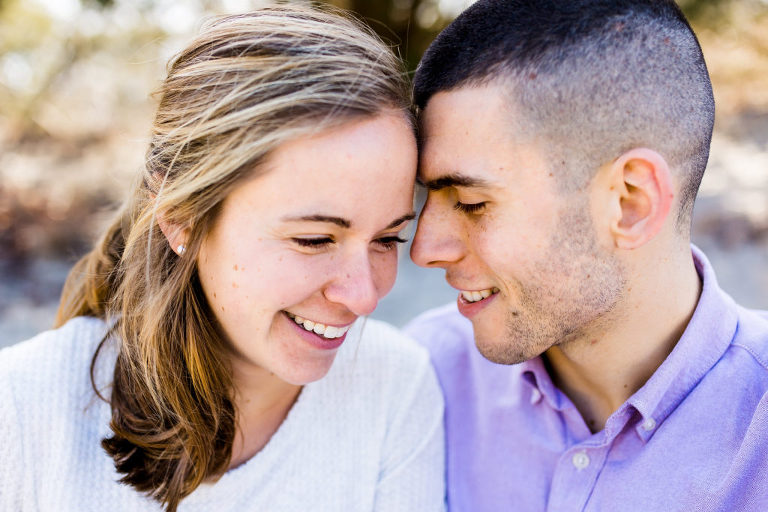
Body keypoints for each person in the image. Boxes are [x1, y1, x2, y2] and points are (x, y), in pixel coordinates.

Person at [0, 6, 445, 511]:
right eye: (315, 240)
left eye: (388, 240)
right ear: (180, 218)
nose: (364, 296)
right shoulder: (19, 410)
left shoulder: (396, 387)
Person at [404, 0, 768, 510]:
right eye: (426, 199)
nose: (424, 250)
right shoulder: (424, 376)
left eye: (471, 203)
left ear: (630, 203)